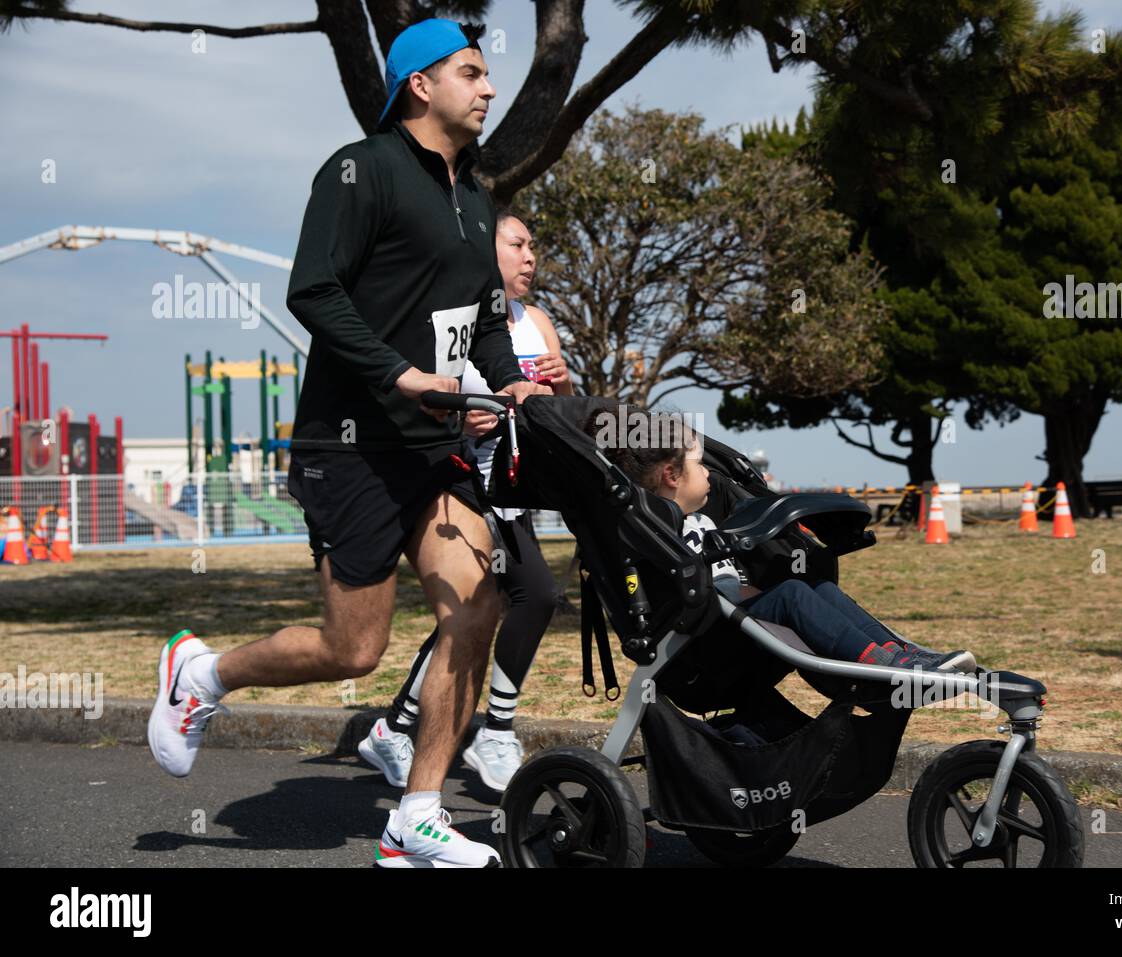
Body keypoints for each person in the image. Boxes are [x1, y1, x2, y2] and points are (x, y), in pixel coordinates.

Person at [147, 19, 550, 869]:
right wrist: (399, 376)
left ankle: (417, 814)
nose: (488, 89)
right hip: (350, 445)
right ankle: (203, 675)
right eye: (471, 73)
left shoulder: (475, 199)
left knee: (478, 606)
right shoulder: (359, 171)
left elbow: (481, 323)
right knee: (354, 649)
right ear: (419, 85)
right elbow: (314, 290)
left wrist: (509, 378)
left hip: (431, 450)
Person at [360, 209, 574, 792]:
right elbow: (420, 402)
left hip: (518, 488)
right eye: (517, 244)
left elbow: (558, 409)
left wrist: (562, 383)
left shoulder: (538, 321)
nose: (531, 257)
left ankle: (395, 728)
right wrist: (463, 426)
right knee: (533, 594)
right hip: (463, 485)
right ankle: (495, 730)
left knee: (479, 609)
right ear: (488, 254)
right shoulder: (452, 323)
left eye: (534, 245)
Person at [585, 409, 976, 671]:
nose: (707, 473)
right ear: (672, 475)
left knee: (817, 586)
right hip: (702, 645)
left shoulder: (701, 520)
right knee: (791, 594)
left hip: (731, 618)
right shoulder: (655, 534)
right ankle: (880, 664)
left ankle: (901, 653)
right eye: (699, 464)